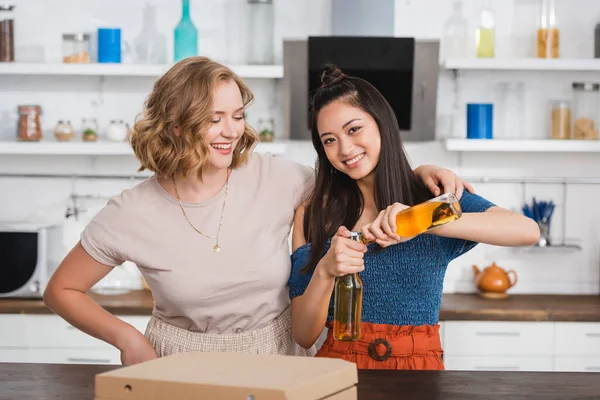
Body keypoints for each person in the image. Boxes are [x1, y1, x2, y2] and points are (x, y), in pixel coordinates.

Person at [43, 56, 475, 366]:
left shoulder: (282, 178)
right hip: (178, 362)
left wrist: (420, 172)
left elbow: (356, 176)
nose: (232, 131)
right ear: (176, 126)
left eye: (236, 115)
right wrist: (126, 337)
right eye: (214, 118)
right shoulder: (130, 212)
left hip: (281, 355)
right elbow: (61, 290)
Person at [288, 64, 540, 370]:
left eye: (354, 129)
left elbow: (527, 230)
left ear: (382, 124)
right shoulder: (314, 213)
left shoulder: (431, 197)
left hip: (419, 372)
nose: (344, 148)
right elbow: (303, 335)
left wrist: (422, 220)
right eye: (329, 140)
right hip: (338, 371)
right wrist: (327, 269)